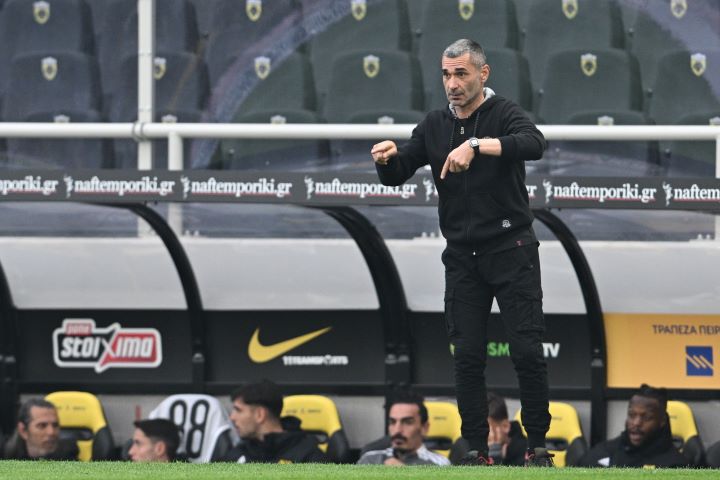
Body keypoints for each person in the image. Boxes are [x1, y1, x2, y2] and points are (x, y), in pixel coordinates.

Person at [371, 38, 551, 466]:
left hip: (512, 248)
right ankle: (474, 450)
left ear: (482, 74)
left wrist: (475, 145)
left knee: (527, 351)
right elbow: (399, 171)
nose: (452, 83)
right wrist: (386, 159)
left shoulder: (503, 112)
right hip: (462, 257)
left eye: (461, 74)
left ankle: (537, 446)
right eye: (446, 74)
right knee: (467, 356)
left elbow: (533, 143)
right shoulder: (434, 124)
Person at [577, 384, 688, 468]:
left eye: (646, 417)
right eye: (631, 415)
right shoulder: (604, 452)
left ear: (662, 421)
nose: (636, 423)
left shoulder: (675, 465)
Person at [222, 380, 327, 464]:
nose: (232, 417)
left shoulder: (307, 455)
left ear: (260, 415)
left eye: (238, 410)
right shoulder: (237, 454)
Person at [357, 391, 450, 466]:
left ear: (424, 428)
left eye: (407, 422)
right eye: (393, 422)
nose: (397, 430)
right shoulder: (370, 460)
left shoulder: (439, 465)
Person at [1, 398, 78, 460]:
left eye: (55, 425)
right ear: (23, 431)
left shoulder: (68, 458)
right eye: (42, 426)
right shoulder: (5, 457)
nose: (51, 432)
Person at [486, 392, 527, 466]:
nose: (478, 434)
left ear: (505, 426)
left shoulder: (527, 454)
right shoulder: (466, 447)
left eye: (484, 428)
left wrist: (495, 459)